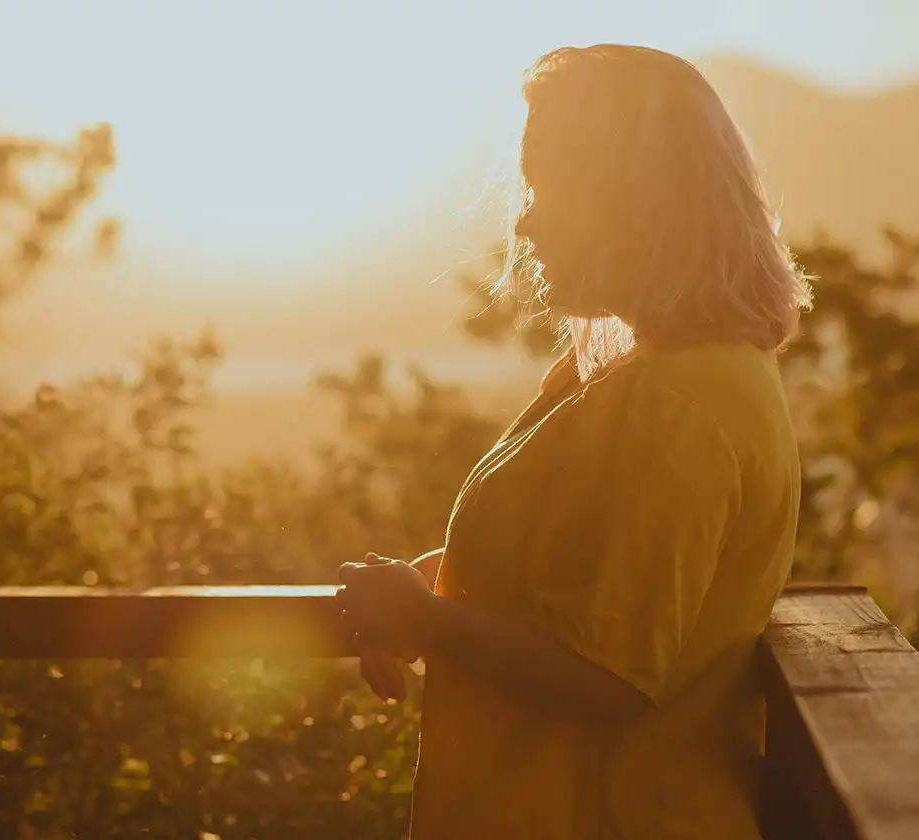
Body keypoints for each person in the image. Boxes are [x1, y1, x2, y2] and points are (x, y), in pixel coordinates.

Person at [336, 44, 810, 840]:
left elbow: (609, 676)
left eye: (551, 183)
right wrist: (443, 587)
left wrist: (422, 617)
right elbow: (585, 591)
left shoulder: (676, 406)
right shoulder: (655, 377)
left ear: (637, 199)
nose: (524, 216)